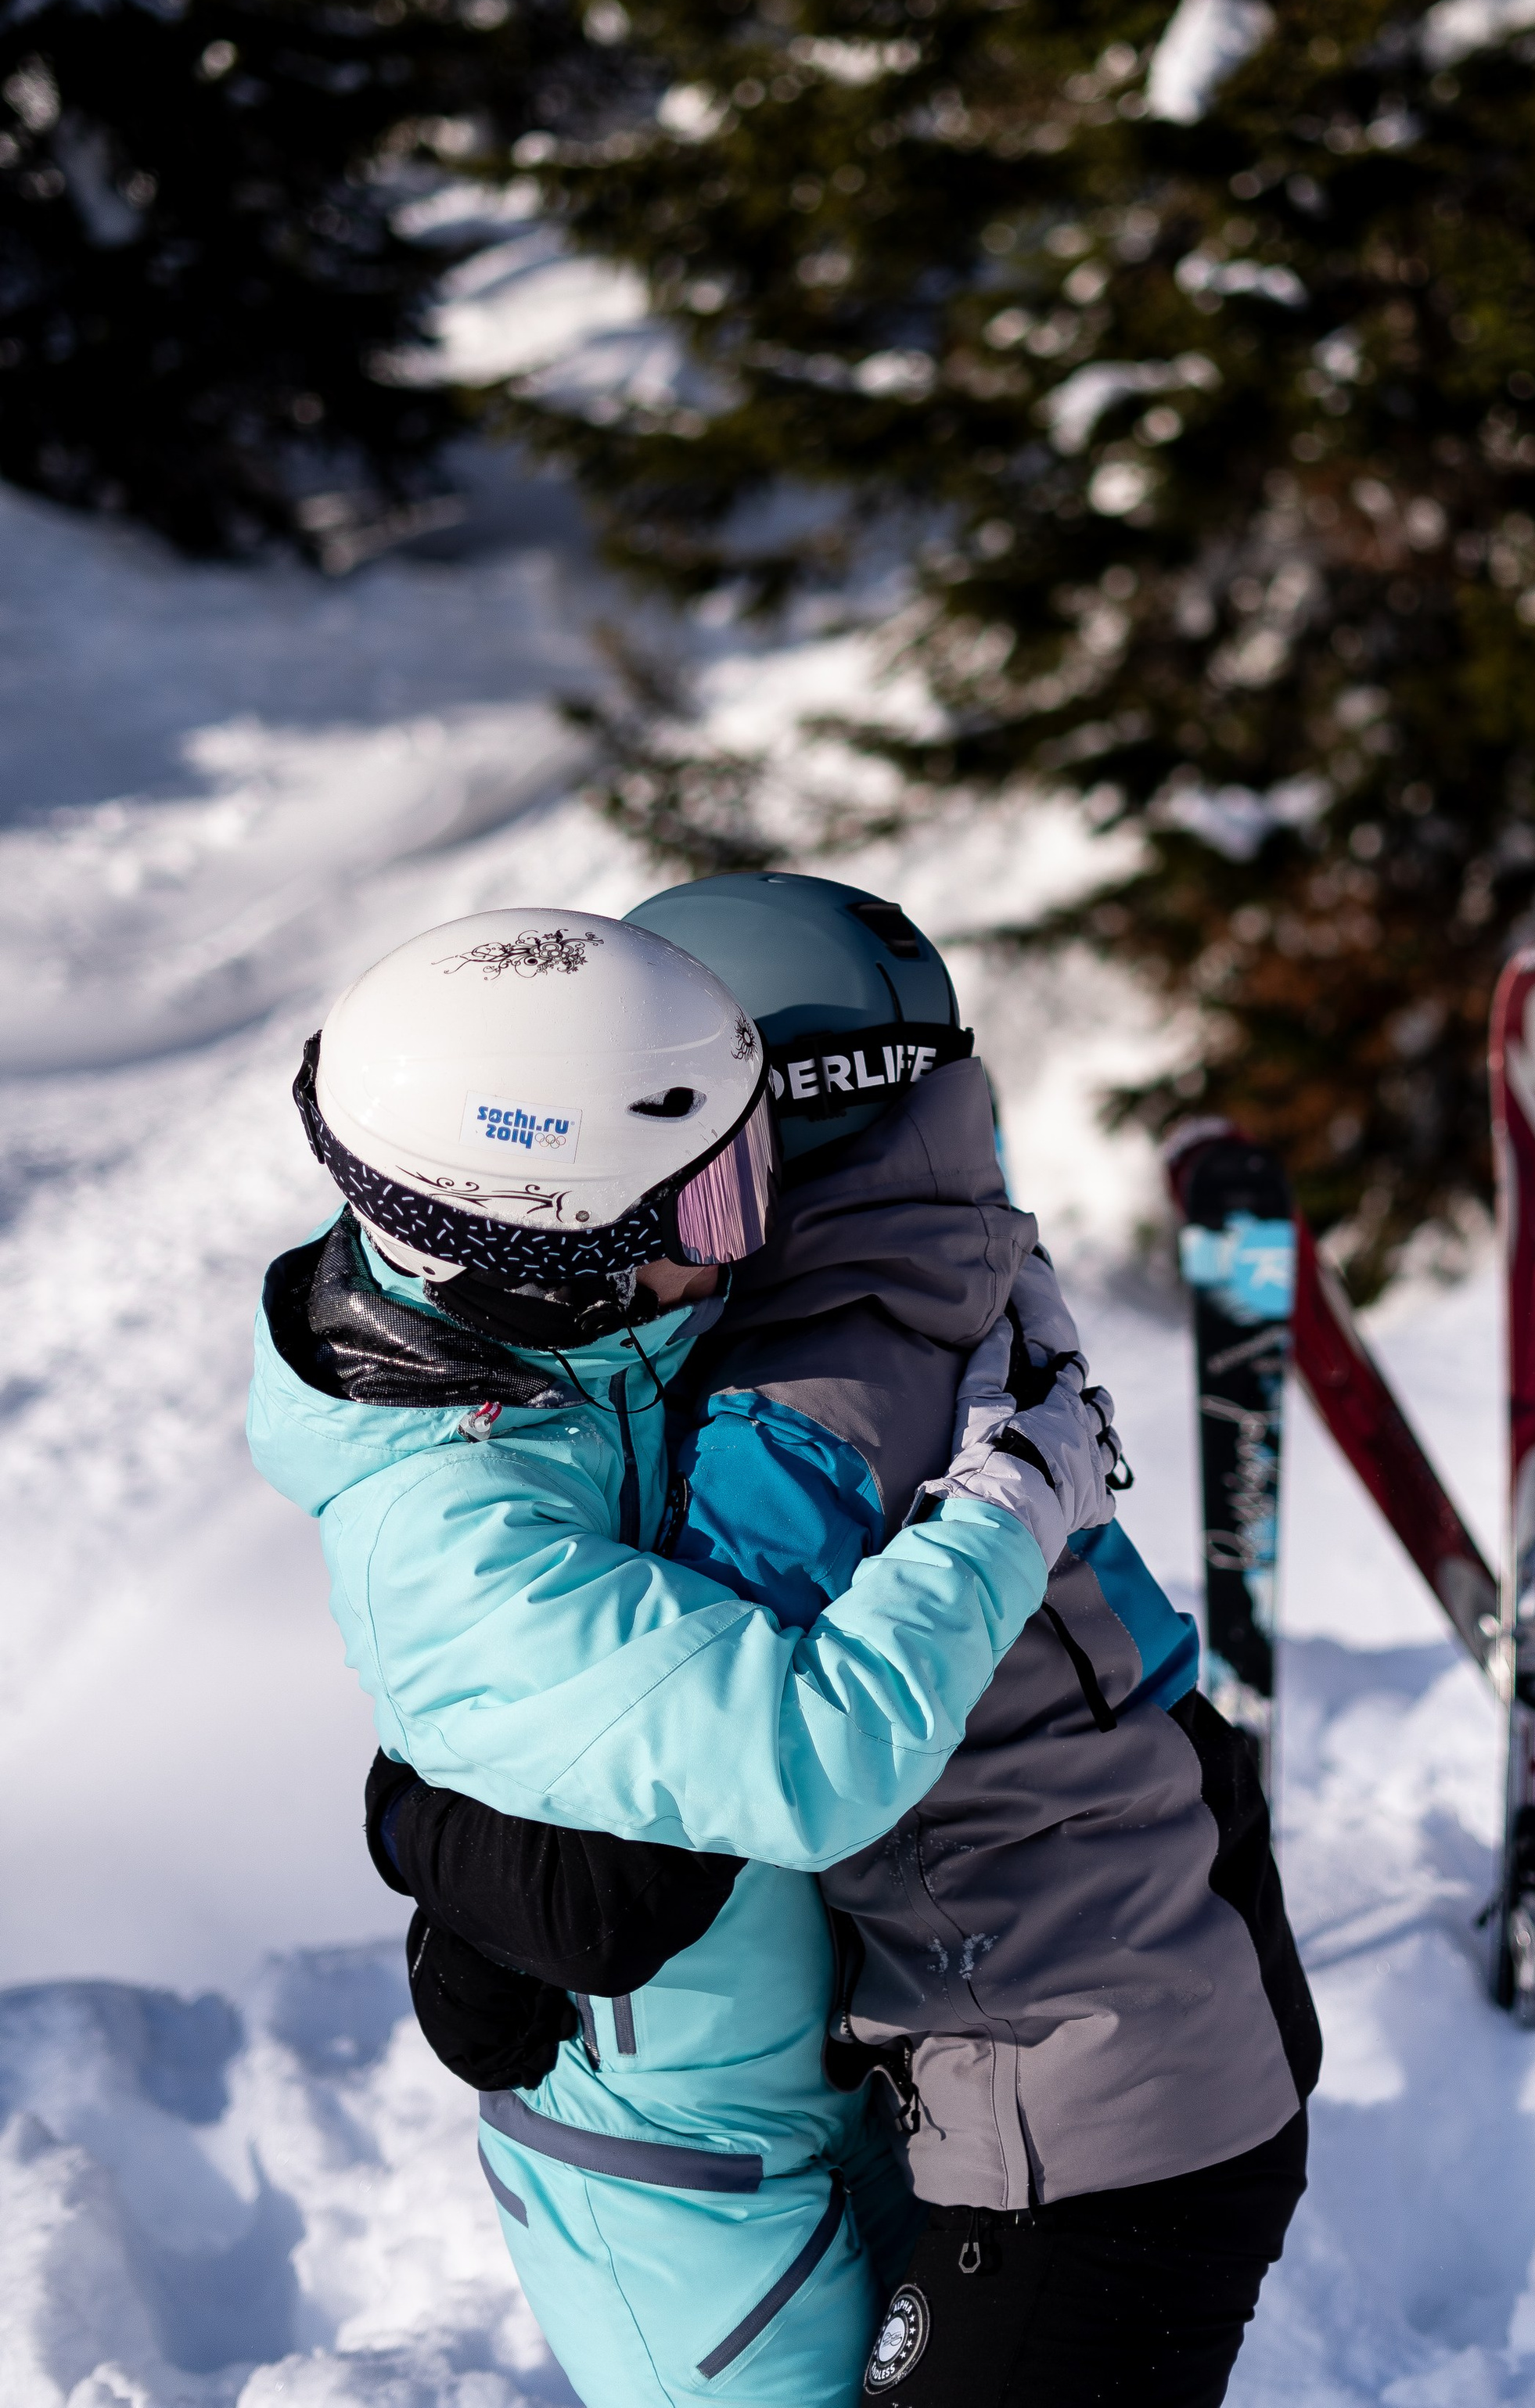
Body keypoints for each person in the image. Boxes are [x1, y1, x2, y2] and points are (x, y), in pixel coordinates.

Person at [354, 875, 1322, 2408]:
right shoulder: (939, 1255)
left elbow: (624, 1866)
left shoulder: (804, 1405)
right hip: (1137, 2005)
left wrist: (418, 1820)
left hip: (1086, 2101)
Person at [250, 905, 1119, 2408]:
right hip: (685, 2202)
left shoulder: (573, 1360)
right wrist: (1009, 1508)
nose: (746, 1241)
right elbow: (813, 1756)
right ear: (540, 1256)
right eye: (709, 1208)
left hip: (811, 2097)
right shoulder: (461, 1536)